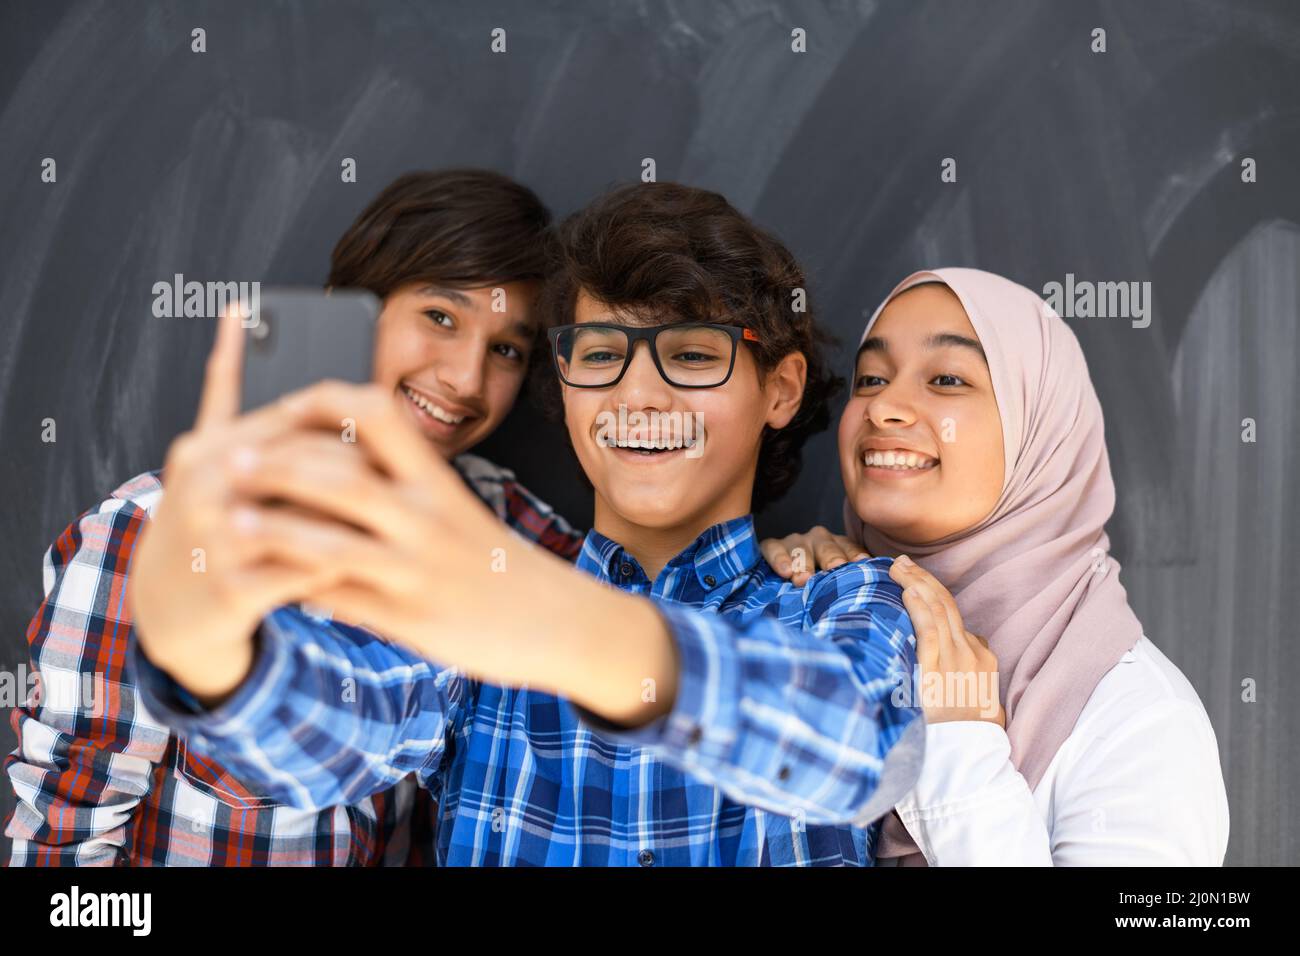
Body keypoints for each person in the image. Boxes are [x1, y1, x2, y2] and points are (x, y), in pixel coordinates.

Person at [124, 182, 925, 866]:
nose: (636, 397)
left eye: (689, 355)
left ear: (781, 390)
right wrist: (206, 651)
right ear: (565, 383)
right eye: (601, 353)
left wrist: (569, 632)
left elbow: (864, 749)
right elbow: (342, 722)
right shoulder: (476, 616)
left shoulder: (842, 599)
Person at [4, 169, 583, 866]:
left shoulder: (498, 526)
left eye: (506, 350)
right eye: (440, 317)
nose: (464, 378)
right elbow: (63, 854)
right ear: (351, 308)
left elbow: (637, 604)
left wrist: (752, 566)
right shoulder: (153, 531)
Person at [763, 268, 1230, 865]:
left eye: (947, 379)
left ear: (1041, 427)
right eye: (871, 377)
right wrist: (787, 591)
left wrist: (960, 741)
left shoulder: (1141, 722)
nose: (884, 406)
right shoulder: (820, 613)